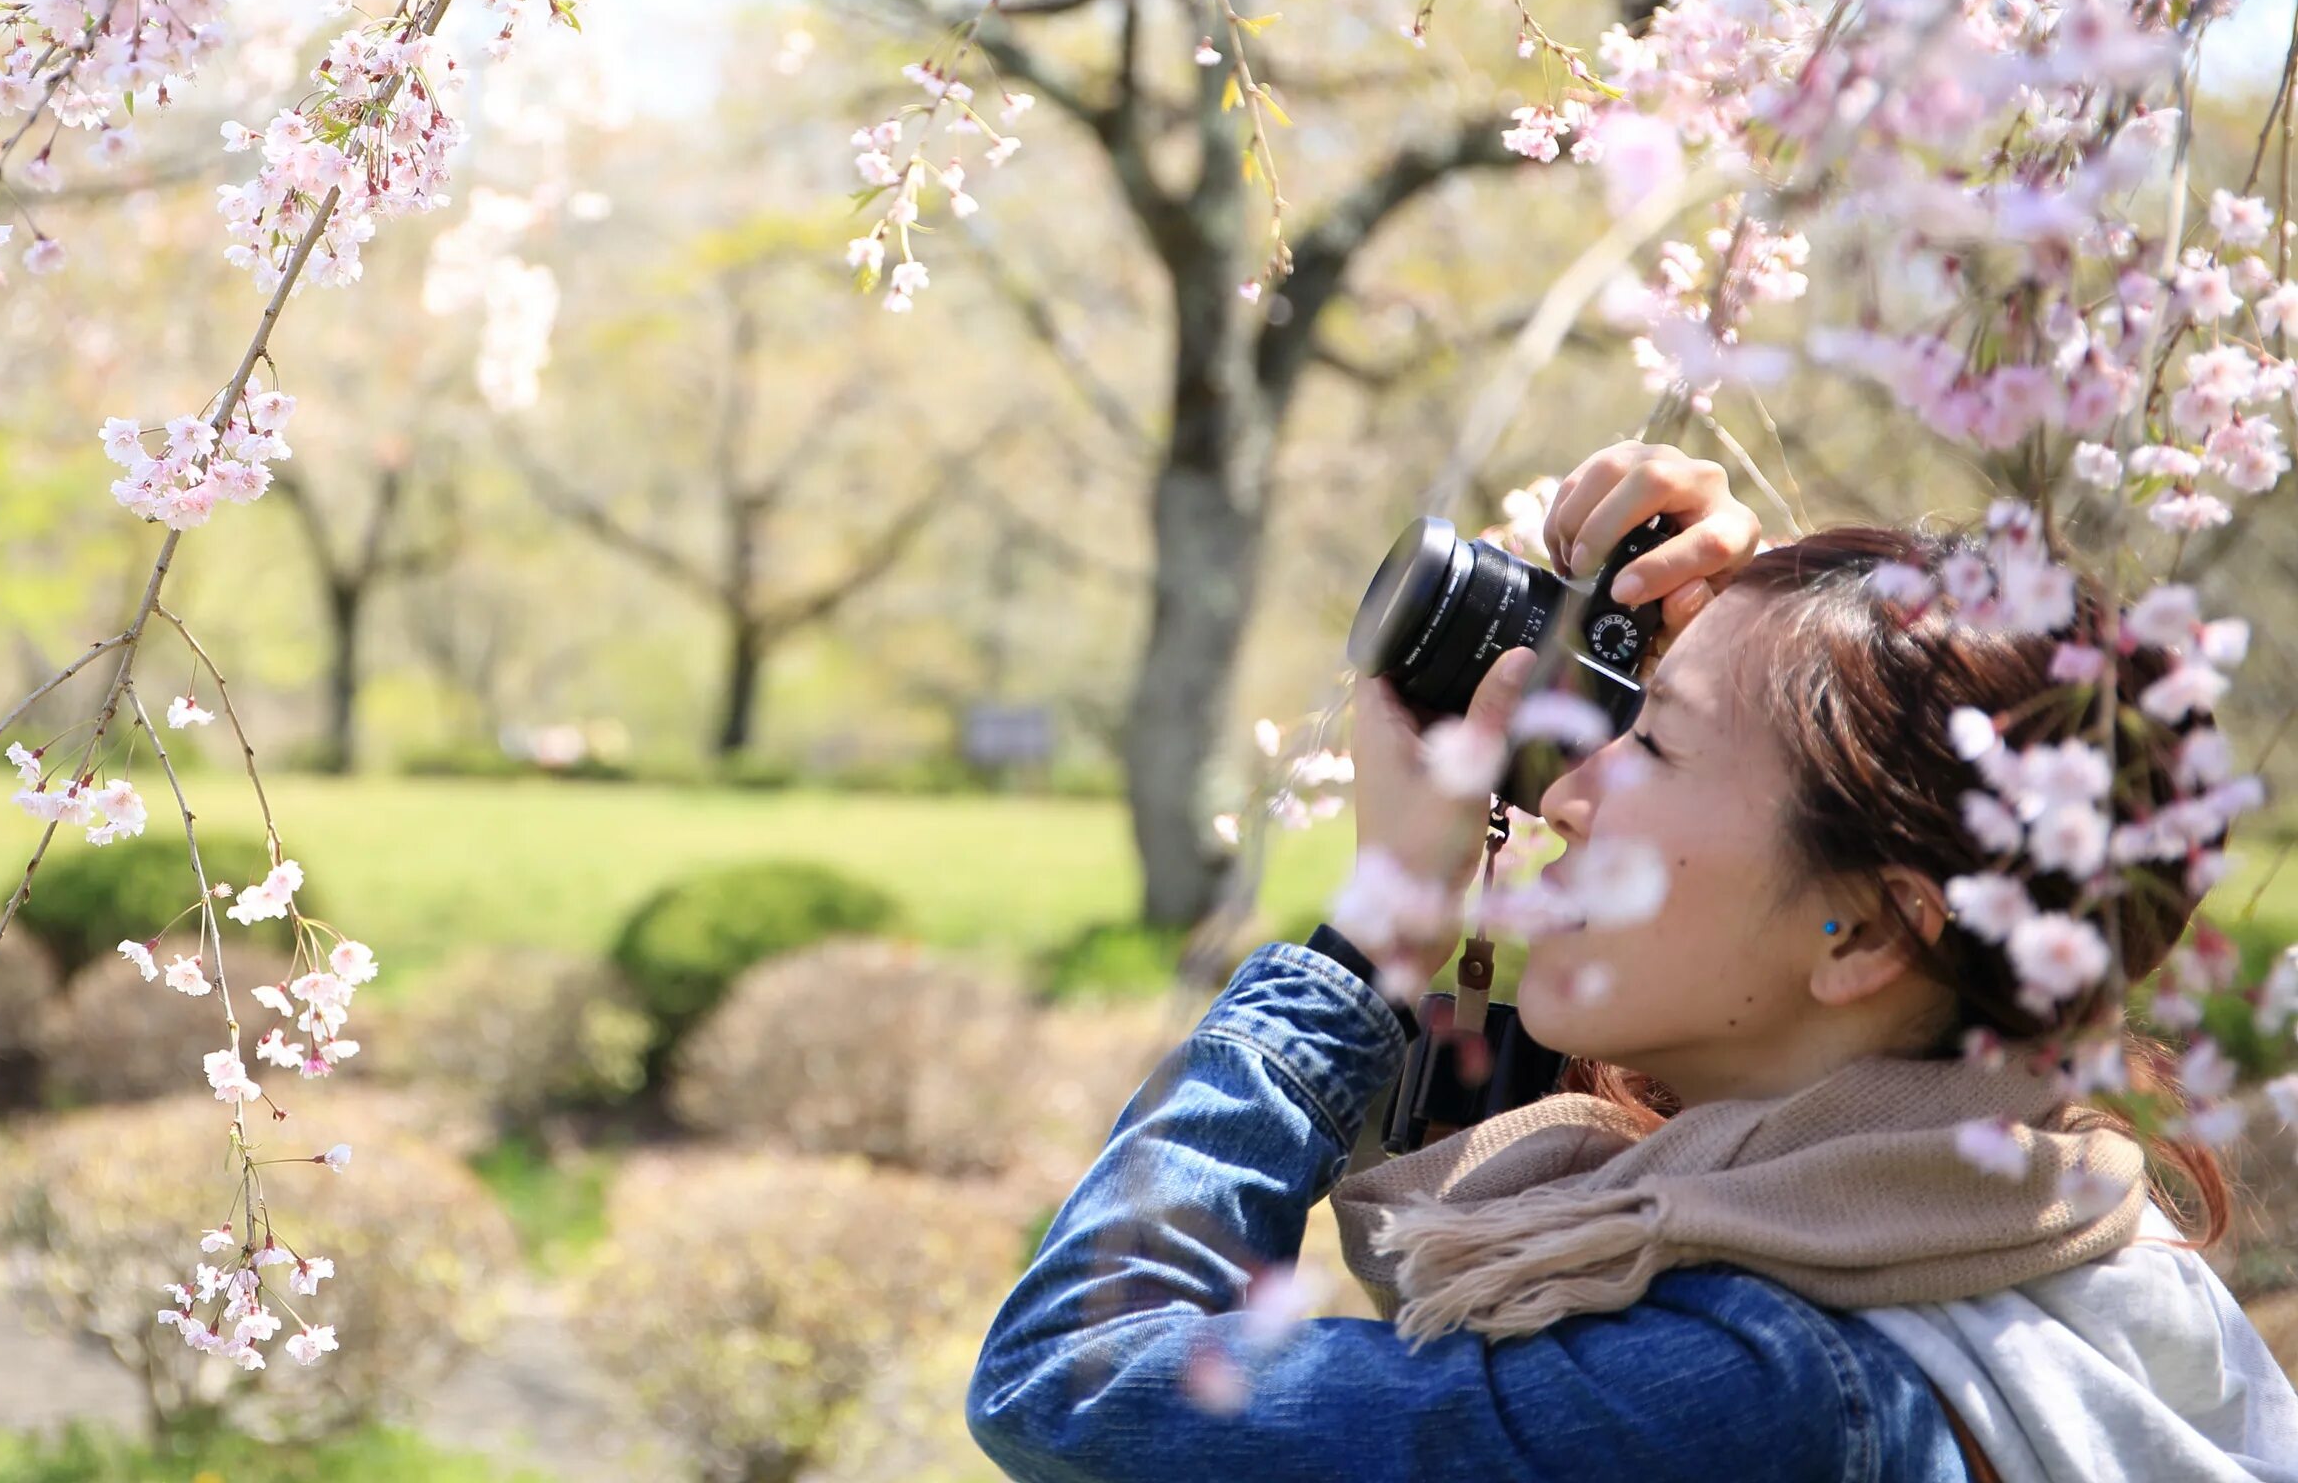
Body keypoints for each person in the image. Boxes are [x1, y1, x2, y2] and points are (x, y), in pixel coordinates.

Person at [970, 442, 2298, 1483]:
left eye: (1650, 744)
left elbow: (1075, 1380)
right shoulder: (2065, 1256)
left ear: (1874, 933)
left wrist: (1373, 935)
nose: (1567, 789)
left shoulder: (1756, 1399)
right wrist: (1744, 654)